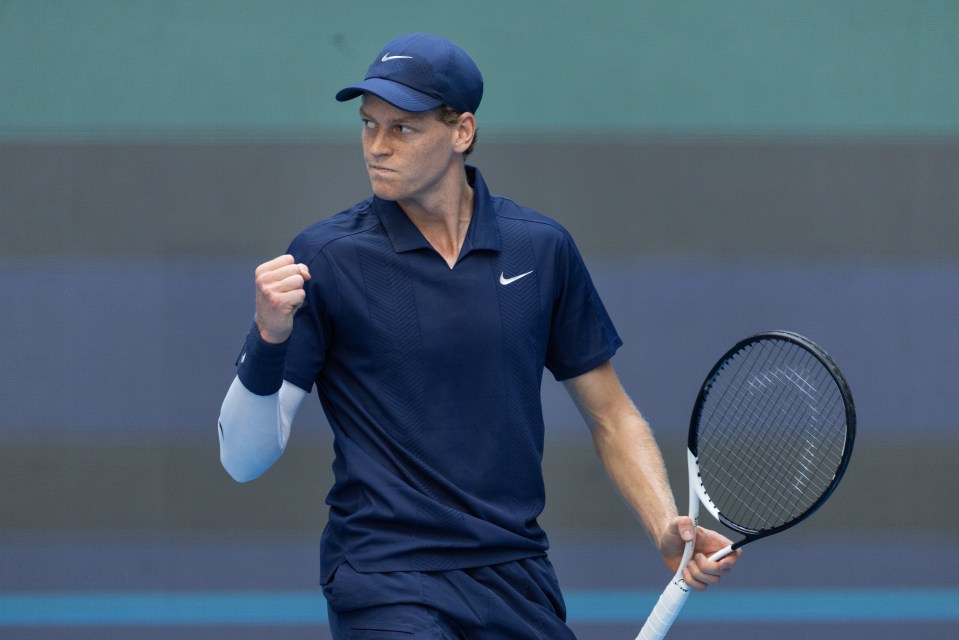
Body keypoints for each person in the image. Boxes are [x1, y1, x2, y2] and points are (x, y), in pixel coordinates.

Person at [218, 32, 738, 639]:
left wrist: (663, 528)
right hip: (387, 579)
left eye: (402, 129)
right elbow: (243, 460)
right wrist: (268, 336)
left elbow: (611, 415)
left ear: (461, 132)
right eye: (368, 125)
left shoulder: (540, 248)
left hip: (516, 577)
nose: (376, 147)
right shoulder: (325, 257)